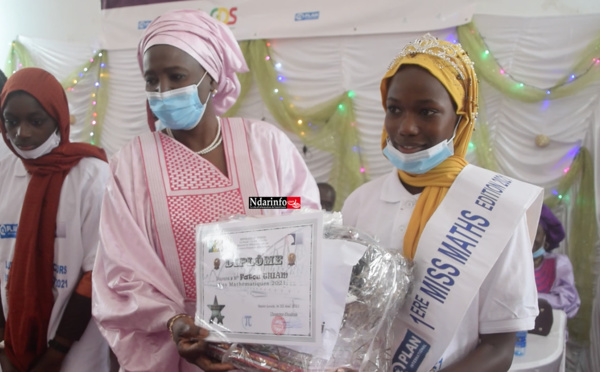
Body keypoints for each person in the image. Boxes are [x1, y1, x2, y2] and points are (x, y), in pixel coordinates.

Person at [91, 9, 320, 372]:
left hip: (267, 343)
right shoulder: (131, 165)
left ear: (211, 78)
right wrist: (174, 323)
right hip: (178, 346)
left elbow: (300, 207)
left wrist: (256, 202)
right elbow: (121, 269)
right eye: (152, 79)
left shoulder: (265, 144)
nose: (162, 91)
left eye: (176, 76)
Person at [342, 34, 543, 371]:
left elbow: (499, 346)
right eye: (394, 109)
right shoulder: (361, 202)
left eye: (427, 111)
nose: (406, 127)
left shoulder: (497, 208)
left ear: (460, 118)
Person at [0, 68, 110, 371]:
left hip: (76, 342)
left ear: (57, 117)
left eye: (36, 121)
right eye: (11, 121)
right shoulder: (5, 172)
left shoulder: (91, 175)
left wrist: (57, 351)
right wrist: (4, 342)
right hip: (15, 339)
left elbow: (96, 272)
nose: (21, 133)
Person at [533, 205, 580, 318]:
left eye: (536, 232)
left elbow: (567, 302)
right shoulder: (512, 263)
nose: (530, 237)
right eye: (526, 231)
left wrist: (527, 299)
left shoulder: (559, 263)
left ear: (546, 237)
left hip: (548, 331)